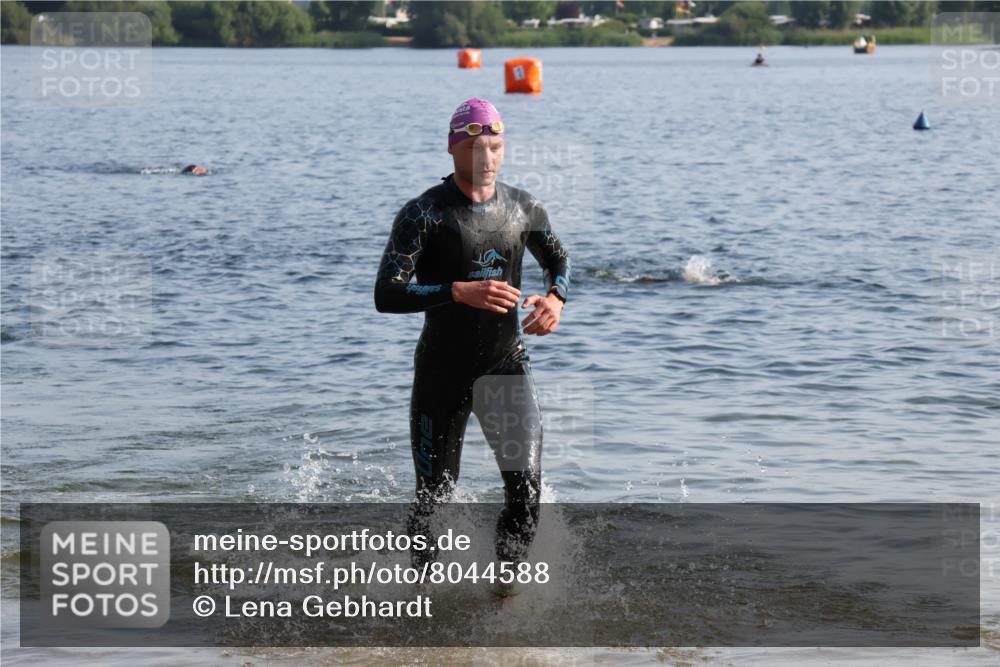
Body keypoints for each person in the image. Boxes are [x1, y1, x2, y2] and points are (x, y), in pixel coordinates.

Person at [374, 98, 571, 595]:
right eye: (476, 146)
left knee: (526, 491)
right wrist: (456, 291)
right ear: (453, 147)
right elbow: (387, 293)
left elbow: (559, 260)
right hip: (443, 371)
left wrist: (555, 298)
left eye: (497, 146)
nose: (488, 157)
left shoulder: (523, 207)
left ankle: (503, 596)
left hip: (506, 364)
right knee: (434, 500)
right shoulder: (424, 214)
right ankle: (419, 600)